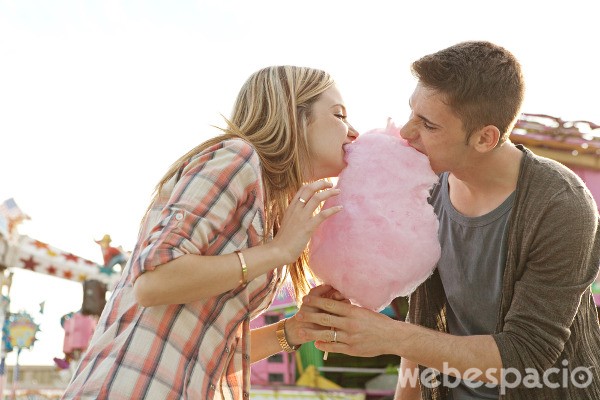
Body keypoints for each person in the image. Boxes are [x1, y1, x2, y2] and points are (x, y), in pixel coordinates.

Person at [297, 41, 600, 399]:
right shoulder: (426, 189)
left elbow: (527, 356)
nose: (407, 133)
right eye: (412, 113)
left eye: (428, 125)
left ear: (485, 138)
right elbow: (422, 325)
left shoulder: (560, 205)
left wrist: (387, 335)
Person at [62, 65, 359, 399]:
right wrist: (277, 251)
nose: (353, 132)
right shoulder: (238, 156)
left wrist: (293, 330)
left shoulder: (271, 211)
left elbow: (208, 352)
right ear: (295, 115)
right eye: (339, 115)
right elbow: (154, 280)